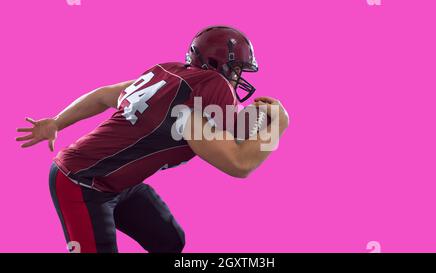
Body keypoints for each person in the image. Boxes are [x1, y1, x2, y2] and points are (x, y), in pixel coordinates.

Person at [15, 26, 289, 253]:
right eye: (237, 70)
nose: (239, 78)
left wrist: (56, 122)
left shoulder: (171, 75)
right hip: (80, 182)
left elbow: (102, 94)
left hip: (118, 181)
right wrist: (278, 124)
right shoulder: (193, 109)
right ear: (220, 67)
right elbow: (240, 164)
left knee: (170, 242)